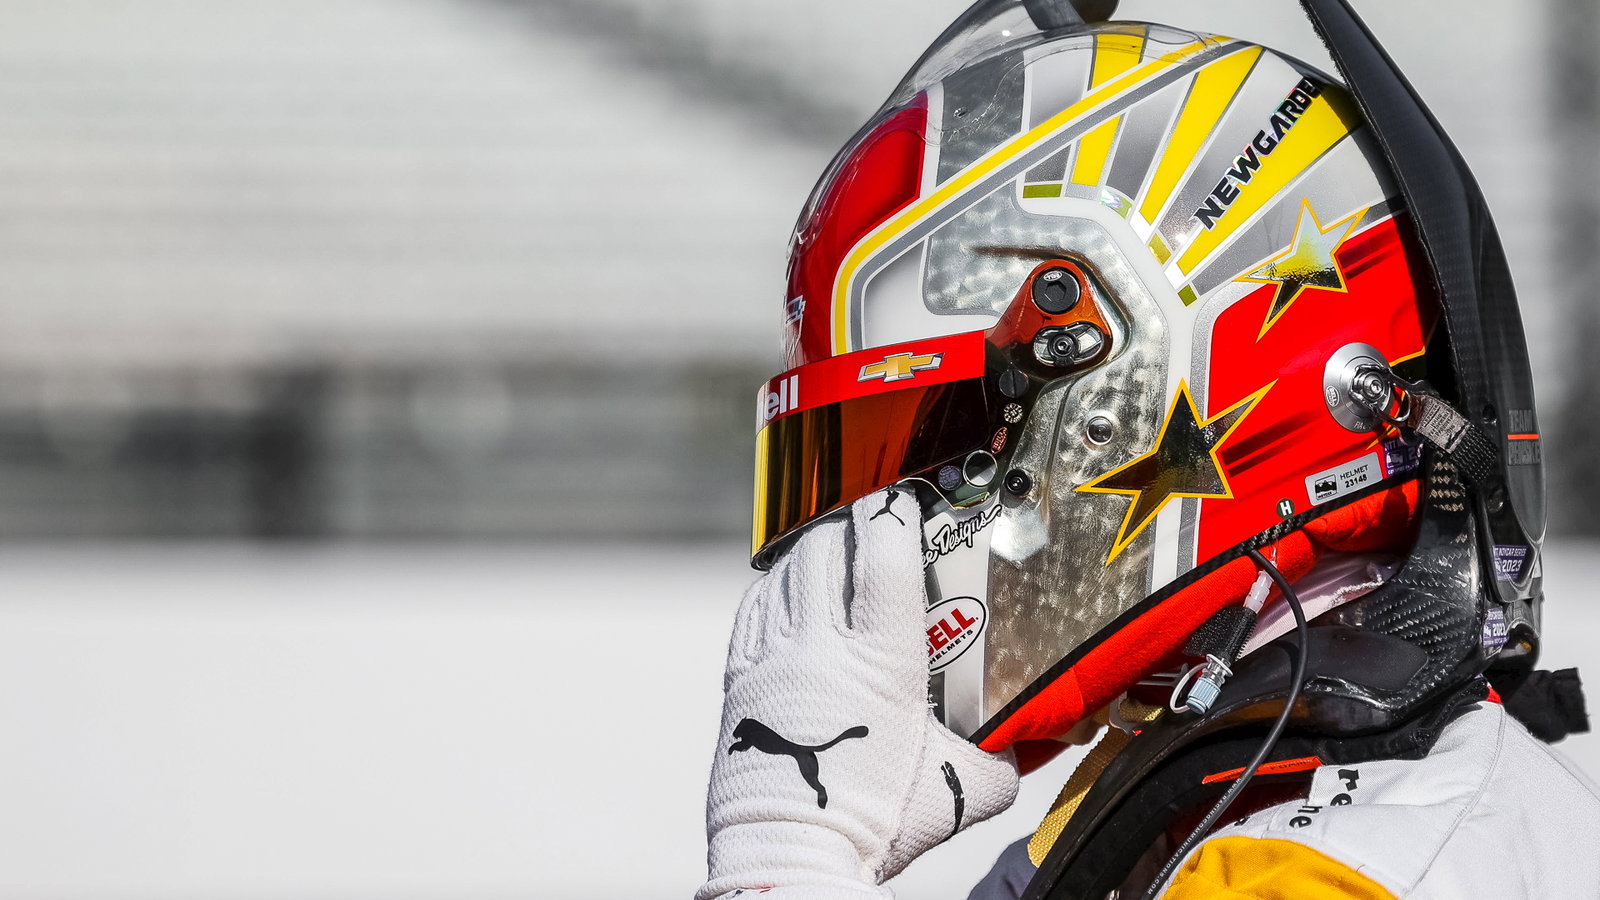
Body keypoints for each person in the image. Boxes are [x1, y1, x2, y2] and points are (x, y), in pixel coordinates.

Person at [699, 1, 1600, 897]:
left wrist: (784, 856)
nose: (867, 529)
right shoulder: (1282, 791)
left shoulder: (1328, 871)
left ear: (1116, 395)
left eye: (925, 453)